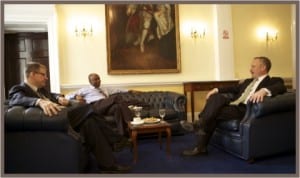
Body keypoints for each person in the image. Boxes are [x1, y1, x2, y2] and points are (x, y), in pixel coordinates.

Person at [8, 62, 132, 173]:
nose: (46, 78)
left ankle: (108, 165)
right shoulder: (19, 89)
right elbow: (16, 99)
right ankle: (117, 139)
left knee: (90, 122)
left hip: (63, 120)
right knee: (88, 108)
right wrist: (38, 101)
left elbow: (52, 95)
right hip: (56, 120)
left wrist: (57, 98)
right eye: (43, 75)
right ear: (32, 74)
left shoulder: (41, 90)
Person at [180, 56, 287, 156]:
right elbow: (233, 88)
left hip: (245, 109)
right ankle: (201, 130)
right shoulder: (248, 81)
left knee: (214, 113)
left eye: (253, 66)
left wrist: (264, 90)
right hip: (234, 106)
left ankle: (200, 135)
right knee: (216, 98)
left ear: (263, 68)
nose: (250, 69)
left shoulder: (273, 80)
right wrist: (216, 89)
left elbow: (281, 87)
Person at [65, 73, 135, 136]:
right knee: (116, 98)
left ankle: (122, 135)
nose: (98, 81)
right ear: (90, 82)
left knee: (117, 107)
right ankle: (130, 122)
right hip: (95, 106)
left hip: (106, 107)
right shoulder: (85, 89)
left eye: (99, 79)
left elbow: (118, 90)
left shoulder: (104, 89)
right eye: (95, 79)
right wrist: (75, 96)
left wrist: (129, 91)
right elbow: (67, 95)